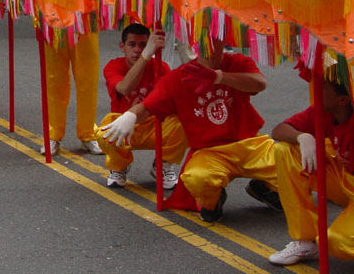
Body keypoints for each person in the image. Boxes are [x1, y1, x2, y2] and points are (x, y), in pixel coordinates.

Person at [102, 37, 281, 222]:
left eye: (214, 39)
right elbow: (148, 106)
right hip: (210, 153)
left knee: (293, 166)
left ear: (224, 41)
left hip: (250, 144)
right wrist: (130, 116)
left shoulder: (237, 62)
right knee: (197, 179)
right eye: (203, 38)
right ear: (194, 42)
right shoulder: (180, 76)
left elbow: (259, 83)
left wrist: (220, 77)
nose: (208, 45)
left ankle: (264, 189)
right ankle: (212, 200)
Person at [267, 79, 354, 265]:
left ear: (343, 100)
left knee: (336, 242)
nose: (315, 89)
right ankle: (305, 242)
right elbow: (279, 130)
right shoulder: (325, 111)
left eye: (323, 88)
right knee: (286, 150)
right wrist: (303, 136)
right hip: (345, 181)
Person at [97, 24, 188, 188]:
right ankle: (119, 166)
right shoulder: (113, 66)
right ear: (122, 47)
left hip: (155, 126)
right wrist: (146, 55)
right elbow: (125, 88)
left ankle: (163, 164)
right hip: (125, 127)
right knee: (104, 133)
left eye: (143, 45)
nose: (137, 50)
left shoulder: (161, 67)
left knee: (184, 122)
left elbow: (173, 102)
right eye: (132, 44)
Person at [40, 30, 104, 157]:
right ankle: (53, 135)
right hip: (53, 22)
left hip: (83, 23)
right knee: (54, 80)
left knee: (87, 79)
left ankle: (87, 133)